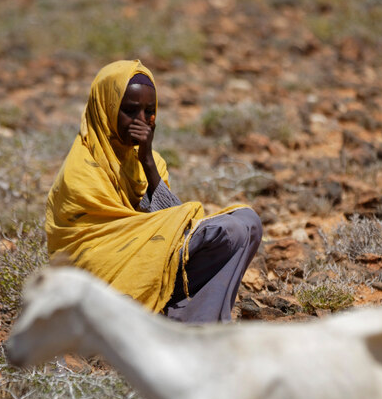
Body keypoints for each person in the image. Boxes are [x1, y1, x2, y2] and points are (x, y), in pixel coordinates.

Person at [46, 59, 262, 323]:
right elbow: (99, 246)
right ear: (106, 109)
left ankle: (195, 320)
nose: (141, 121)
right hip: (105, 278)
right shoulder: (83, 167)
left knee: (249, 222)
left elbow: (173, 224)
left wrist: (147, 162)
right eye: (129, 110)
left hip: (148, 260)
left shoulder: (150, 162)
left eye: (149, 111)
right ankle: (196, 326)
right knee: (230, 231)